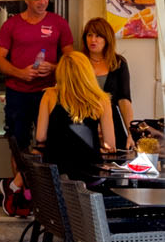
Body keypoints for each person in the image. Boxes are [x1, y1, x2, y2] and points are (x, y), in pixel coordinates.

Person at [0, 0, 72, 209]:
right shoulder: (11, 24)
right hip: (18, 93)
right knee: (19, 145)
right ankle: (21, 195)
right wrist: (20, 73)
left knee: (51, 145)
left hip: (50, 93)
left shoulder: (59, 23)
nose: (42, 2)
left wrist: (54, 67)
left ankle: (42, 197)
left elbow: (71, 60)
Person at [36, 46, 116, 179]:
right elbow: (110, 143)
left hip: (57, 174)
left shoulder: (49, 95)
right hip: (90, 175)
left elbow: (40, 137)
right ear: (87, 71)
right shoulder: (102, 99)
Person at [80, 13, 134, 149]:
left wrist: (131, 132)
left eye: (98, 36)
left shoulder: (118, 63)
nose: (93, 40)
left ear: (107, 38)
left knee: (117, 157)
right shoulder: (78, 62)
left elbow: (124, 100)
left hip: (112, 123)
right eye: (89, 35)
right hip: (82, 123)